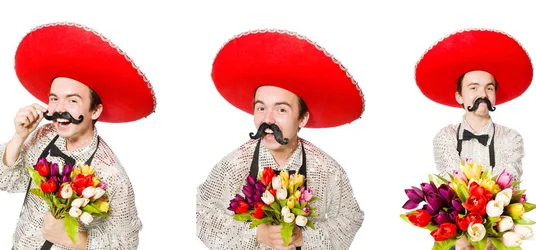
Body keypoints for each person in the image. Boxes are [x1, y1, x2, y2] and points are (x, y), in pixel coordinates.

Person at [196, 29, 365, 250]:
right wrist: (257, 233)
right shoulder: (233, 165)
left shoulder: (327, 170)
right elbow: (199, 213)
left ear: (302, 118)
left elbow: (351, 218)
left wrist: (304, 238)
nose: (267, 119)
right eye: (261, 107)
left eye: (281, 110)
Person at [0, 22, 157, 249]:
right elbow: (6, 181)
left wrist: (76, 241)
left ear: (95, 111)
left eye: (73, 100)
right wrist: (19, 136)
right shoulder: (44, 136)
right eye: (54, 98)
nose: (59, 109)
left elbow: (126, 244)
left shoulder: (112, 175)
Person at [414, 29, 534, 250]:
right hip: (456, 235)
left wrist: (489, 234)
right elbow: (452, 181)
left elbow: (509, 179)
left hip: (499, 233)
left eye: (489, 88)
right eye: (473, 88)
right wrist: (463, 236)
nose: (483, 94)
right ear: (459, 96)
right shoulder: (445, 136)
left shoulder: (512, 137)